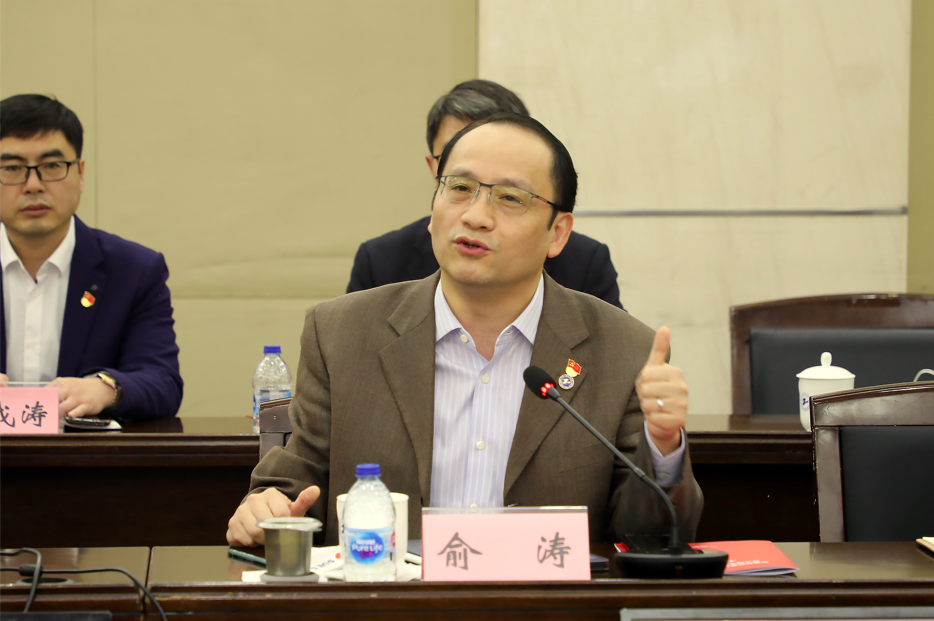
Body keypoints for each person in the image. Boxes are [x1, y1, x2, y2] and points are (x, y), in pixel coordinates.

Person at [228, 112, 701, 548]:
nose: (475, 216)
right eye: (459, 188)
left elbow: (650, 536)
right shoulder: (341, 334)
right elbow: (288, 484)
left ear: (558, 232)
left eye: (510, 198)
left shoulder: (623, 350)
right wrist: (264, 509)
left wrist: (662, 449)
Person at [346, 79, 623, 309]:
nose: (477, 217)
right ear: (435, 169)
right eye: (461, 176)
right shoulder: (380, 261)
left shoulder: (585, 263)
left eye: (510, 195)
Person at [0, 94, 182, 420]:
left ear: (80, 174)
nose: (33, 185)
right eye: (12, 168)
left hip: (85, 451)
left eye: (51, 166)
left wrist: (106, 389)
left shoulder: (134, 270)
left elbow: (162, 380)